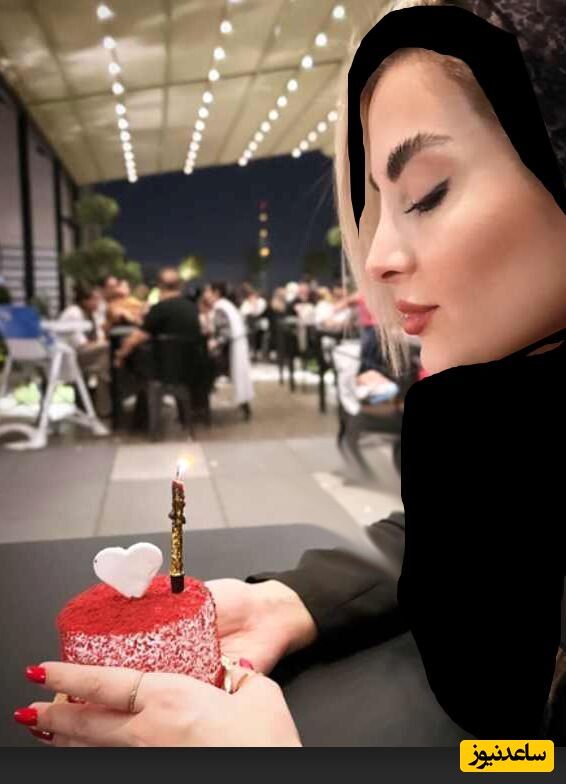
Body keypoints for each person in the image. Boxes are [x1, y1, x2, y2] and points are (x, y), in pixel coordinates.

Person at [16, 0, 566, 747]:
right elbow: (474, 538)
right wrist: (293, 598)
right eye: (378, 208)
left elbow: (518, 758)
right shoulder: (499, 421)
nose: (378, 259)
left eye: (426, 194)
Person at [114, 267, 202, 368]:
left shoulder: (159, 309)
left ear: (160, 286)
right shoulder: (193, 308)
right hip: (191, 367)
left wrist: (119, 356)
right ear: (180, 286)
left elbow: (136, 338)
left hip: (165, 367)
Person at [202, 281, 254, 421]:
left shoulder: (220, 308)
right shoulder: (226, 305)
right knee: (241, 378)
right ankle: (245, 408)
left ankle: (200, 408)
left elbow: (225, 333)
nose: (205, 294)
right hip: (236, 346)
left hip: (230, 350)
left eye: (208, 291)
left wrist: (213, 343)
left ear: (216, 293)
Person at [58, 284, 110, 415]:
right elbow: (81, 344)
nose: (98, 303)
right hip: (68, 356)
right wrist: (103, 342)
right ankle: (103, 407)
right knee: (107, 353)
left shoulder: (92, 314)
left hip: (83, 354)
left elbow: (99, 335)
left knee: (106, 361)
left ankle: (103, 405)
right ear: (85, 301)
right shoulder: (73, 313)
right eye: (95, 299)